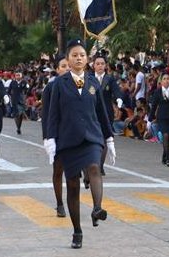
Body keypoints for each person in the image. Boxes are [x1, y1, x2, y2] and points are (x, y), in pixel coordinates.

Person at [43, 39, 116, 249]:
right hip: (68, 141)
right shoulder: (59, 84)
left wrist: (109, 138)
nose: (78, 58)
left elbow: (101, 112)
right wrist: (50, 139)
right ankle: (77, 231)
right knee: (73, 186)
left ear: (87, 59)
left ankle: (97, 208)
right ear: (68, 59)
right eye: (74, 55)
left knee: (94, 168)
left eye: (82, 55)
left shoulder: (93, 83)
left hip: (91, 137)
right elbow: (53, 114)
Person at [41, 55, 70, 218]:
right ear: (57, 70)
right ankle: (60, 203)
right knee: (58, 170)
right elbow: (45, 115)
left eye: (68, 66)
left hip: (74, 134)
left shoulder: (79, 84)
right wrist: (47, 137)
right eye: (63, 66)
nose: (66, 69)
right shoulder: (50, 88)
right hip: (57, 135)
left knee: (73, 172)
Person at [92, 55, 123, 173]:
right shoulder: (89, 78)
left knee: (105, 138)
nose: (100, 66)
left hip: (106, 113)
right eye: (97, 63)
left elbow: (117, 91)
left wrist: (119, 98)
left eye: (102, 63)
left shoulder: (110, 79)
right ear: (93, 65)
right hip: (92, 112)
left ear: (105, 66)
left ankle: (100, 165)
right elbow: (85, 93)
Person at [150, 73, 169, 167]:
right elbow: (154, 105)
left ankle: (164, 156)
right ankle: (168, 158)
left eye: (168, 78)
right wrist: (151, 117)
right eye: (164, 79)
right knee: (165, 136)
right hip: (162, 117)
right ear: (161, 81)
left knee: (168, 136)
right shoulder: (158, 92)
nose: (166, 80)